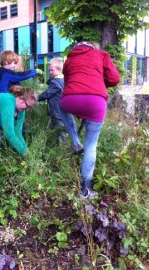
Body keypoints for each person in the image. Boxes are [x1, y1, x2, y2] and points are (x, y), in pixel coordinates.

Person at [59, 40, 120, 199]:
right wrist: (99, 81)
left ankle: (75, 141)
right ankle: (84, 192)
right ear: (93, 47)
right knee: (91, 146)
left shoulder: (69, 60)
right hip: (96, 102)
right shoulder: (101, 55)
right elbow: (114, 79)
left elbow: (68, 84)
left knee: (62, 106)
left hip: (70, 99)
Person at [38, 57, 66, 142]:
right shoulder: (63, 80)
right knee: (54, 127)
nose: (50, 72)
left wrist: (35, 97)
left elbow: (47, 94)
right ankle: (53, 142)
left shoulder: (55, 82)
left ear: (59, 69)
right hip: (62, 109)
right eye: (49, 70)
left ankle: (62, 145)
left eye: (51, 70)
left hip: (56, 111)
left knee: (59, 129)